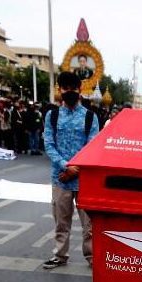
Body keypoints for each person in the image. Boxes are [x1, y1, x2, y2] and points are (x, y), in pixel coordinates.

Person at [42, 72, 99, 269]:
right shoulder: (52, 115)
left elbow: (92, 146)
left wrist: (76, 169)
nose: (69, 92)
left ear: (80, 89)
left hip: (85, 180)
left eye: (73, 88)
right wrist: (65, 166)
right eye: (65, 88)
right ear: (60, 90)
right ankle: (60, 255)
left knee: (89, 225)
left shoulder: (90, 117)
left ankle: (93, 257)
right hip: (60, 178)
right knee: (61, 222)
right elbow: (49, 144)